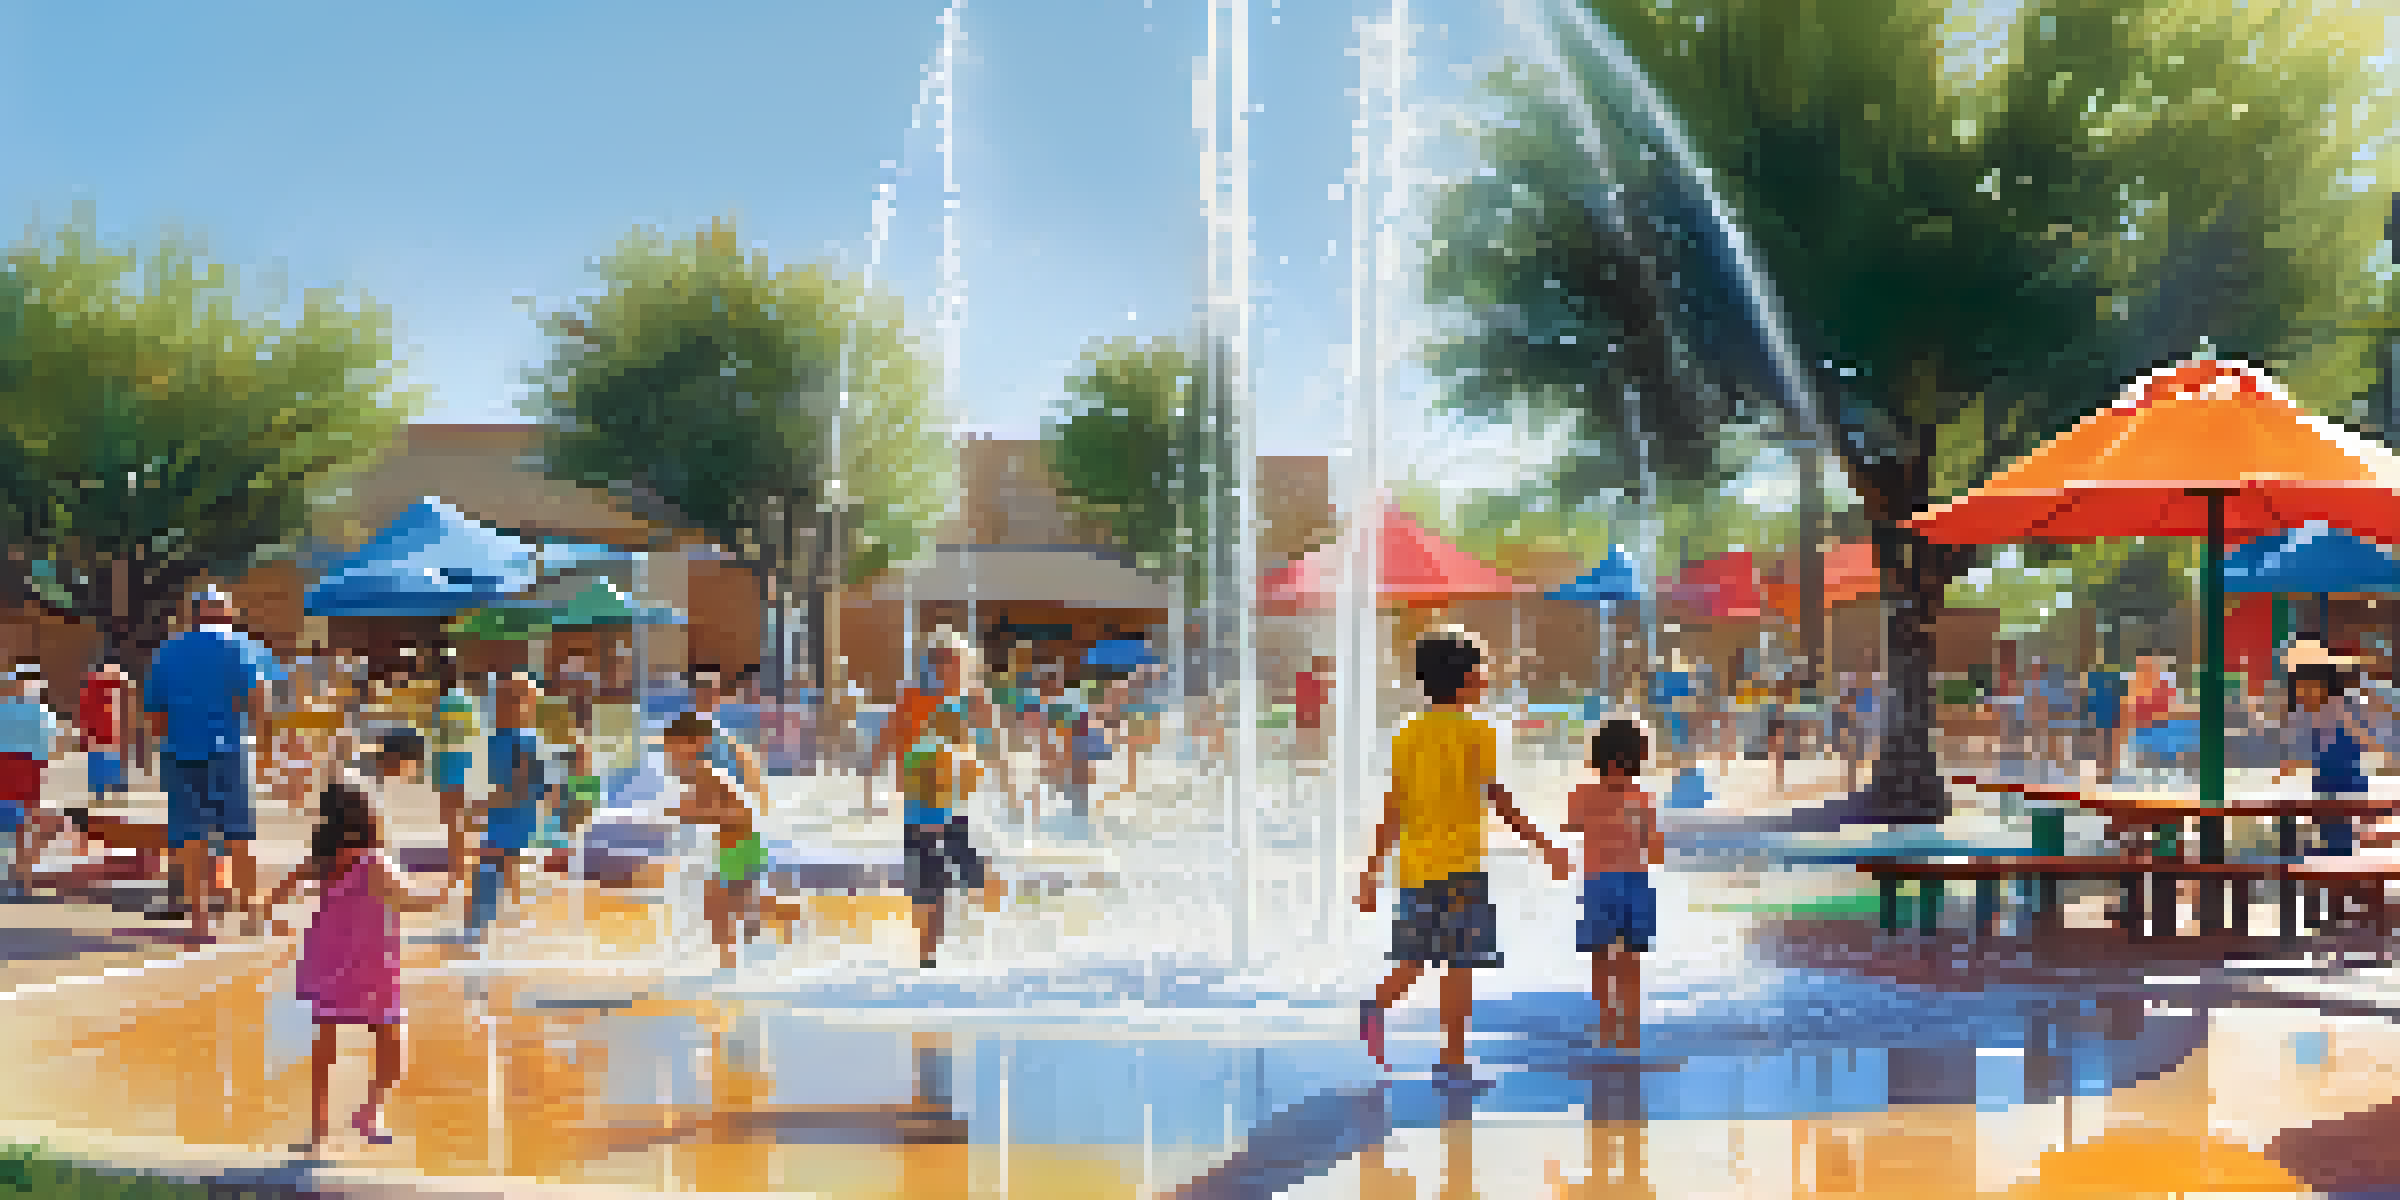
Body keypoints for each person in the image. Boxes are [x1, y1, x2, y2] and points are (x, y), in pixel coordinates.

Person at [1358, 627, 1574, 1074]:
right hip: (1461, 868)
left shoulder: (1407, 736)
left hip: (1416, 869)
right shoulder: (1478, 732)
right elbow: (1499, 801)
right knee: (1460, 966)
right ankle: (1453, 1059)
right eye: (1483, 668)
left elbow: (1392, 809)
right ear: (1467, 677)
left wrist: (1372, 872)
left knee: (1414, 962)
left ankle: (1376, 1004)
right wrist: (1544, 844)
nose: (1488, 677)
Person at [257, 778, 447, 1151]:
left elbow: (277, 893)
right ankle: (369, 1111)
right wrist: (445, 893)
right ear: (367, 819)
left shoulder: (324, 863)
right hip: (373, 965)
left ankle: (319, 1124)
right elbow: (408, 901)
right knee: (390, 1044)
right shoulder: (374, 862)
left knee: (325, 1045)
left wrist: (272, 918)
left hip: (325, 960)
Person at [145, 586, 285, 941]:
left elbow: (153, 713)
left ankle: (199, 919)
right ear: (226, 613)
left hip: (179, 750)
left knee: (191, 835)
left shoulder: (168, 649)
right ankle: (249, 913)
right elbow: (259, 696)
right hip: (227, 749)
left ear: (194, 614)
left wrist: (163, 743)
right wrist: (266, 746)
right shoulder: (238, 644)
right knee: (238, 832)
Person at [1564, 719, 1663, 1052]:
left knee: (1607, 959)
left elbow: (1571, 824)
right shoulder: (1641, 797)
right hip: (1630, 882)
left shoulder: (1583, 794)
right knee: (1622, 960)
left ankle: (1612, 1025)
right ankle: (1625, 1028)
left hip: (1602, 883)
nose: (1620, 770)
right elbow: (1655, 846)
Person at [898, 699, 1001, 967]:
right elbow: (953, 789)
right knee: (940, 890)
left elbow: (909, 786)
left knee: (928, 893)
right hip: (939, 826)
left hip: (923, 826)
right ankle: (934, 951)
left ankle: (927, 953)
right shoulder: (946, 752)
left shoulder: (923, 750)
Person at [662, 713, 766, 969]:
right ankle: (734, 961)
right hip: (738, 845)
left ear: (698, 745)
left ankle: (727, 965)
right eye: (670, 751)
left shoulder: (704, 773)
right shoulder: (693, 775)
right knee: (735, 910)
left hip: (737, 846)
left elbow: (731, 812)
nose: (672, 758)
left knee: (720, 909)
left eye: (676, 750)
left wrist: (686, 812)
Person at [466, 671, 544, 940]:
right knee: (501, 865)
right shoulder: (498, 738)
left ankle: (480, 928)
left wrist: (484, 805)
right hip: (502, 813)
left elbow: (525, 788)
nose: (501, 705)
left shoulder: (525, 741)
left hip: (514, 814)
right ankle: (508, 918)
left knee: (491, 866)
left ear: (527, 706)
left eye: (512, 699)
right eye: (500, 698)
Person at [0, 664, 65, 896]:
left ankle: (19, 879)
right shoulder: (42, 713)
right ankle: (23, 881)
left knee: (18, 826)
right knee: (25, 830)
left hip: (7, 773)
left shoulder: (4, 709)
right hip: (28, 775)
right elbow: (53, 748)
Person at [430, 655, 479, 894]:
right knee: (465, 820)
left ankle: (458, 871)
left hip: (448, 766)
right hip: (464, 765)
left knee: (453, 821)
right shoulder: (467, 702)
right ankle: (467, 867)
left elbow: (439, 741)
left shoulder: (442, 703)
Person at [75, 658, 133, 855]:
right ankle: (106, 836)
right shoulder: (110, 685)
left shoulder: (94, 685)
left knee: (104, 794)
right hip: (106, 745)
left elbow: (85, 716)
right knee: (109, 794)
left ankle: (103, 836)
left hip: (102, 745)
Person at [1294, 656, 1333, 766]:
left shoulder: (1309, 679)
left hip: (1310, 718)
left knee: (1310, 742)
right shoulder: (1306, 679)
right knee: (1308, 741)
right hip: (1308, 718)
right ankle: (1307, 760)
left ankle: (1309, 760)